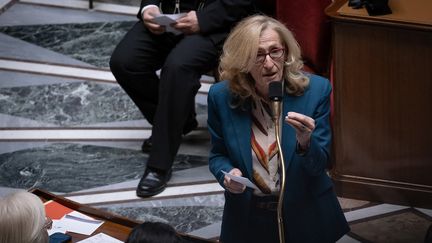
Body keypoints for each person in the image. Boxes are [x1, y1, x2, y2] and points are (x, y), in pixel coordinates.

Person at [207, 15, 350, 243]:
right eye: (258, 55)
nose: (269, 63)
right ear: (243, 60)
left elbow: (320, 165)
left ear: (286, 52)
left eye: (275, 51)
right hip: (248, 217)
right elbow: (218, 155)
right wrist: (227, 175)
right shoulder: (221, 97)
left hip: (305, 213)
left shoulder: (316, 91)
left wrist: (305, 142)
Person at [109, 0, 257, 198]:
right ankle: (181, 119)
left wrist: (204, 19)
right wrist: (149, 7)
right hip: (168, 18)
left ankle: (159, 165)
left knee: (178, 67)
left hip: (218, 24)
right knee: (124, 62)